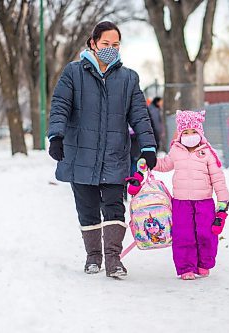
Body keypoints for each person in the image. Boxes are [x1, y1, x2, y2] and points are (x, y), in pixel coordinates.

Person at [47, 21, 157, 278]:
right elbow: (60, 105)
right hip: (80, 153)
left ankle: (114, 259)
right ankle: (93, 257)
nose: (111, 49)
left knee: (114, 207)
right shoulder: (73, 73)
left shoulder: (129, 78)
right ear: (93, 43)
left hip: (114, 154)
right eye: (105, 44)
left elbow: (140, 115)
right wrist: (56, 136)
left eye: (116, 45)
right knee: (87, 209)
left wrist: (149, 146)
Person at [153, 110, 229, 280]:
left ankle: (204, 263)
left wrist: (223, 200)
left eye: (193, 132)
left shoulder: (207, 152)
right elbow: (165, 165)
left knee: (206, 234)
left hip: (204, 202)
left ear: (200, 132)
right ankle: (186, 267)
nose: (189, 135)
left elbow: (218, 178)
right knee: (183, 234)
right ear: (179, 134)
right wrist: (151, 161)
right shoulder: (176, 150)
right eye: (185, 132)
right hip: (181, 203)